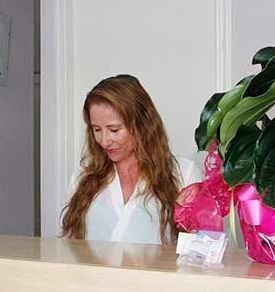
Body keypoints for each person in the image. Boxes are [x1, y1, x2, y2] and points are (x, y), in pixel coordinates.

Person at [61, 74, 202, 245]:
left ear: (142, 125)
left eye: (114, 130)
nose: (104, 141)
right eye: (96, 129)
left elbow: (202, 249)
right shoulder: (83, 178)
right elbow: (69, 248)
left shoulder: (184, 174)